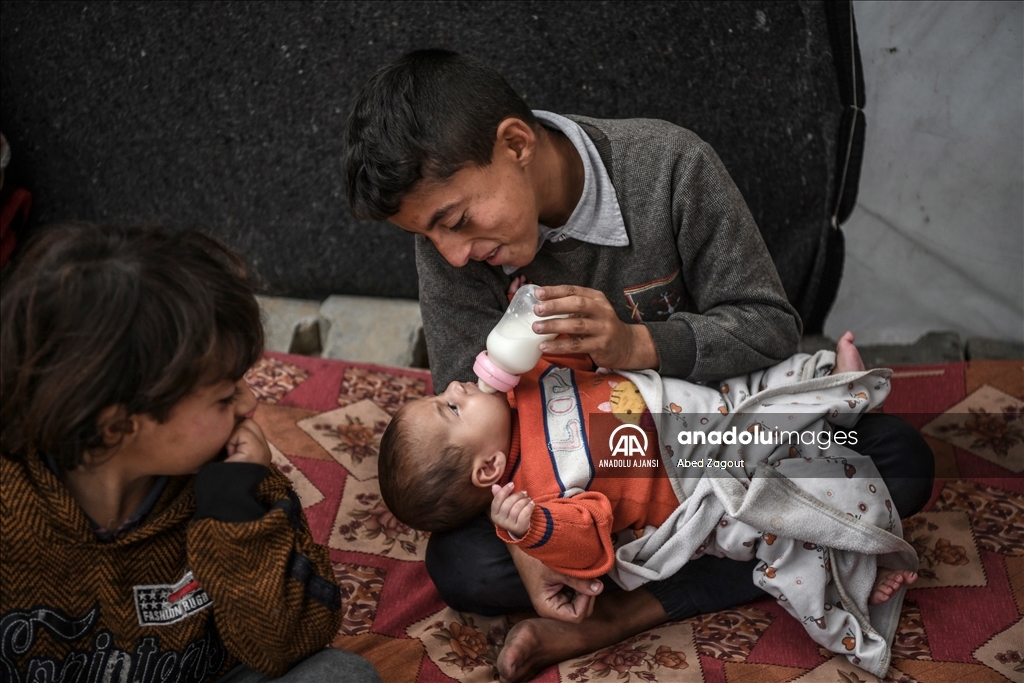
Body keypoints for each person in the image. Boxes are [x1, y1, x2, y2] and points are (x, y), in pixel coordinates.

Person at [343, 49, 933, 681]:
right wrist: (530, 542)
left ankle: (624, 612)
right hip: (594, 495)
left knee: (894, 457)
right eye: (430, 237)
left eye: (455, 222)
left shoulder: (669, 168)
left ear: (515, 143)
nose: (453, 255)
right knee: (461, 565)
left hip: (717, 443)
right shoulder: (452, 250)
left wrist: (636, 346)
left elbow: (768, 326)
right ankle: (736, 555)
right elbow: (471, 429)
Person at [377, 334, 918, 674]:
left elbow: (577, 356)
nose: (454, 384)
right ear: (489, 470)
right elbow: (587, 537)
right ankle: (852, 559)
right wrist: (533, 530)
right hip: (700, 480)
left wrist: (538, 325)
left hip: (703, 405)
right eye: (450, 406)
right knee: (775, 509)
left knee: (782, 395)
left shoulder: (521, 386)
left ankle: (839, 390)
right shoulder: (540, 491)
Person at [0, 224, 381, 683]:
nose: (249, 404)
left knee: (342, 676)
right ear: (119, 424)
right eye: (224, 398)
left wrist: (236, 515)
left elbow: (288, 644)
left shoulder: (233, 480)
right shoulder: (11, 507)